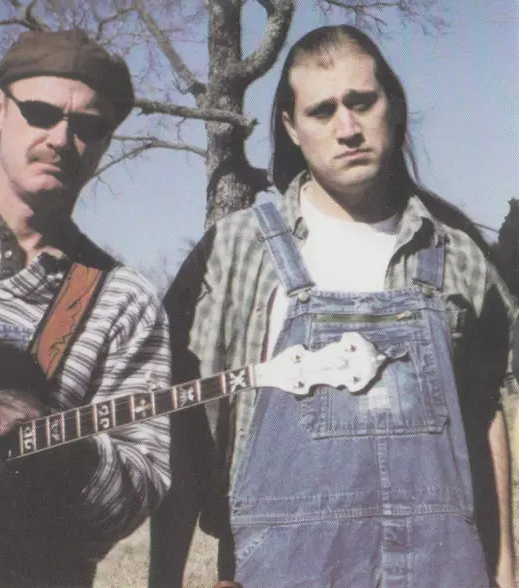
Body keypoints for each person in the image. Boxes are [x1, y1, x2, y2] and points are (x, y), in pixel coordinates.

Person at [150, 25, 516, 588]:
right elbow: (185, 425)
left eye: (362, 102)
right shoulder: (235, 250)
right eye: (322, 111)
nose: (348, 128)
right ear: (292, 128)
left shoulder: (456, 256)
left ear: (392, 108)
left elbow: (484, 412)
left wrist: (505, 571)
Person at [0, 29, 170, 587]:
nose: (60, 138)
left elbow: (140, 489)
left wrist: (57, 442)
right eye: (40, 113)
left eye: (88, 126)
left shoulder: (121, 299)